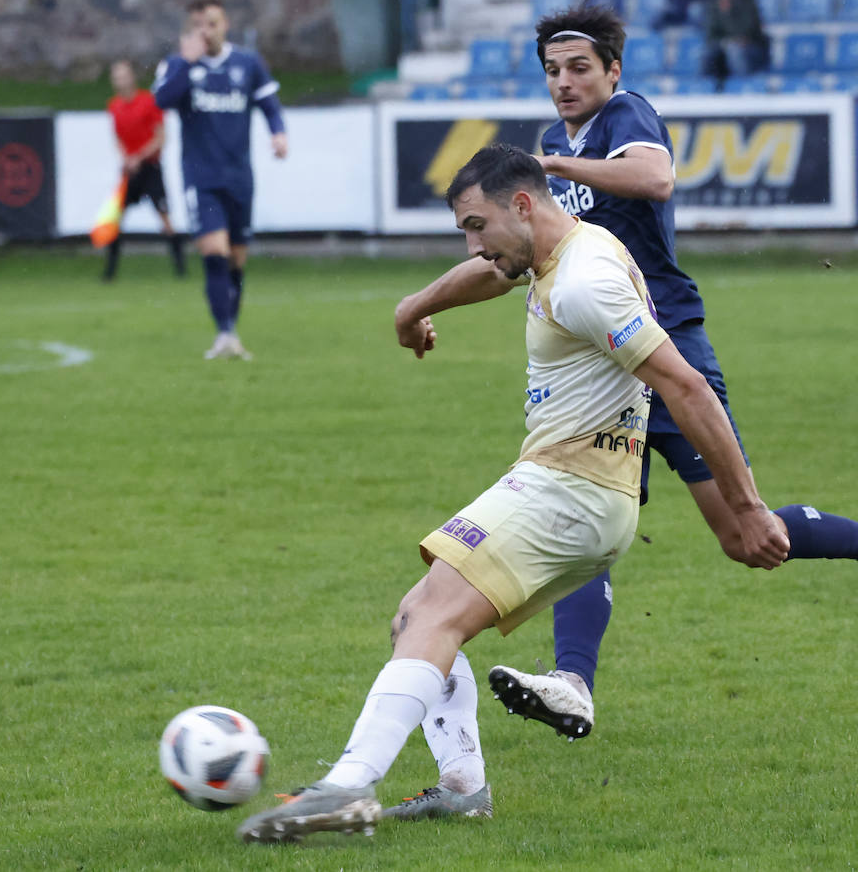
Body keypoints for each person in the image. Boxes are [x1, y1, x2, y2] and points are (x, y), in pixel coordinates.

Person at [388, 6, 858, 814]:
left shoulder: (625, 118)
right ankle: (573, 682)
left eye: (579, 67)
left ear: (612, 71)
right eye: (553, 70)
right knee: (585, 521)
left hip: (665, 348)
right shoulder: (558, 158)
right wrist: (418, 303)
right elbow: (502, 265)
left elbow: (655, 179)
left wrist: (555, 167)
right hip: (595, 367)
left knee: (744, 538)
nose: (565, 82)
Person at [237, 143, 791, 843]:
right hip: (576, 490)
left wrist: (745, 506)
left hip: (571, 488)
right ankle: (462, 787)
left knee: (435, 609)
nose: (472, 245)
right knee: (416, 619)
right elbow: (495, 274)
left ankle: (345, 787)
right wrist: (416, 305)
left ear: (522, 205)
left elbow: (685, 385)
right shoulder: (566, 246)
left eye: (476, 226)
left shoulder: (586, 281)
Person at [152, 0, 288, 361]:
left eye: (211, 23)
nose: (205, 31)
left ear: (225, 24)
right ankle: (224, 333)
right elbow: (161, 101)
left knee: (236, 262)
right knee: (214, 252)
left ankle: (230, 332)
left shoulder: (247, 63)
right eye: (198, 25)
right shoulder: (177, 65)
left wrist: (279, 133)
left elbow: (269, 105)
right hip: (201, 178)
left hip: (239, 177)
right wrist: (186, 62)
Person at [102, 59, 186, 281]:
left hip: (150, 168)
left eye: (123, 75)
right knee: (115, 219)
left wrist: (139, 156)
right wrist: (127, 159)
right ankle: (109, 273)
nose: (120, 80)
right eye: (116, 76)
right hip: (130, 170)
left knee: (166, 220)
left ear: (132, 77)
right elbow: (118, 138)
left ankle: (181, 270)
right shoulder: (114, 106)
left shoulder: (149, 102)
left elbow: (162, 137)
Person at [702, 0, 771, 83]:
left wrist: (728, 13)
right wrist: (724, 41)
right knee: (706, 52)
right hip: (724, 45)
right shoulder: (714, 3)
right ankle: (703, 88)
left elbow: (745, 31)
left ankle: (742, 85)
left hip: (752, 47)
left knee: (734, 50)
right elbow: (710, 33)